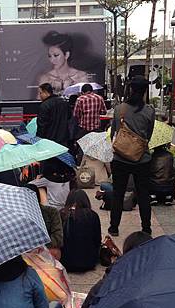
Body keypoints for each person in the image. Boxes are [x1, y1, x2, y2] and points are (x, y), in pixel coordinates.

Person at [108, 75, 155, 237]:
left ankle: (114, 227)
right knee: (143, 194)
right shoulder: (149, 111)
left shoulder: (119, 109)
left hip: (120, 158)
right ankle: (146, 227)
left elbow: (114, 132)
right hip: (142, 159)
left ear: (130, 88)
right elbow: (148, 135)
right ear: (144, 91)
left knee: (118, 193)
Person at [60, 189, 101, 273]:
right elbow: (97, 239)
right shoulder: (93, 215)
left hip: (66, 262)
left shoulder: (62, 214)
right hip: (89, 262)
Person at [38, 31, 89, 95]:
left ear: (66, 55)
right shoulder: (45, 78)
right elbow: (40, 102)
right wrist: (54, 91)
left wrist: (71, 90)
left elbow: (87, 100)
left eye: (56, 55)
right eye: (49, 56)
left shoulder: (81, 76)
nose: (52, 60)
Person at [25, 183, 64, 260]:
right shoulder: (21, 215)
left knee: (54, 252)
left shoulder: (51, 212)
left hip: (46, 249)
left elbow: (58, 239)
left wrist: (39, 246)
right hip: (28, 251)